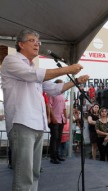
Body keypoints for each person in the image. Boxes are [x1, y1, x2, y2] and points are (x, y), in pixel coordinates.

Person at [1, 29, 89, 190]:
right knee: (24, 176)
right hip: (21, 123)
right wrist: (67, 69)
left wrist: (75, 81)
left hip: (37, 125)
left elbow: (54, 89)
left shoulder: (33, 66)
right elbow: (33, 75)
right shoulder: (11, 60)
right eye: (32, 40)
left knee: (34, 173)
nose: (37, 44)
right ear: (20, 44)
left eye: (38, 41)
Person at [48, 79, 67, 164]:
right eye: (60, 84)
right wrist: (52, 117)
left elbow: (64, 108)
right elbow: (49, 106)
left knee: (59, 138)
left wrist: (65, 117)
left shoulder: (62, 95)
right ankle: (53, 157)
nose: (62, 86)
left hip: (61, 119)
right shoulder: (51, 94)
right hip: (54, 120)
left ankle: (57, 155)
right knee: (54, 138)